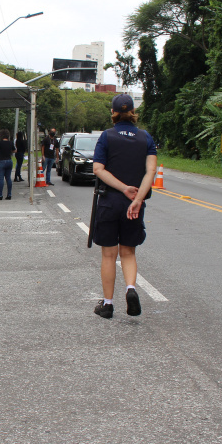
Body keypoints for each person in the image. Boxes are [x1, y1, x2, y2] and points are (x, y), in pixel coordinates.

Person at [91, 94, 157, 319]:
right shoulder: (145, 137)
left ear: (113, 112)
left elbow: (98, 169)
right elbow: (151, 171)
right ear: (133, 113)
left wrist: (122, 188)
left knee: (109, 255)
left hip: (110, 201)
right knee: (128, 252)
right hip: (134, 205)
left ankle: (107, 304)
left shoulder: (107, 137)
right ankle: (130, 289)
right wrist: (137, 198)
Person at [0, 128, 14, 200]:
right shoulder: (11, 143)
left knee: (1, 179)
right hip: (9, 161)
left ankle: (0, 195)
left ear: (1, 135)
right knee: (8, 178)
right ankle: (9, 194)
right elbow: (14, 150)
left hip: (2, 161)